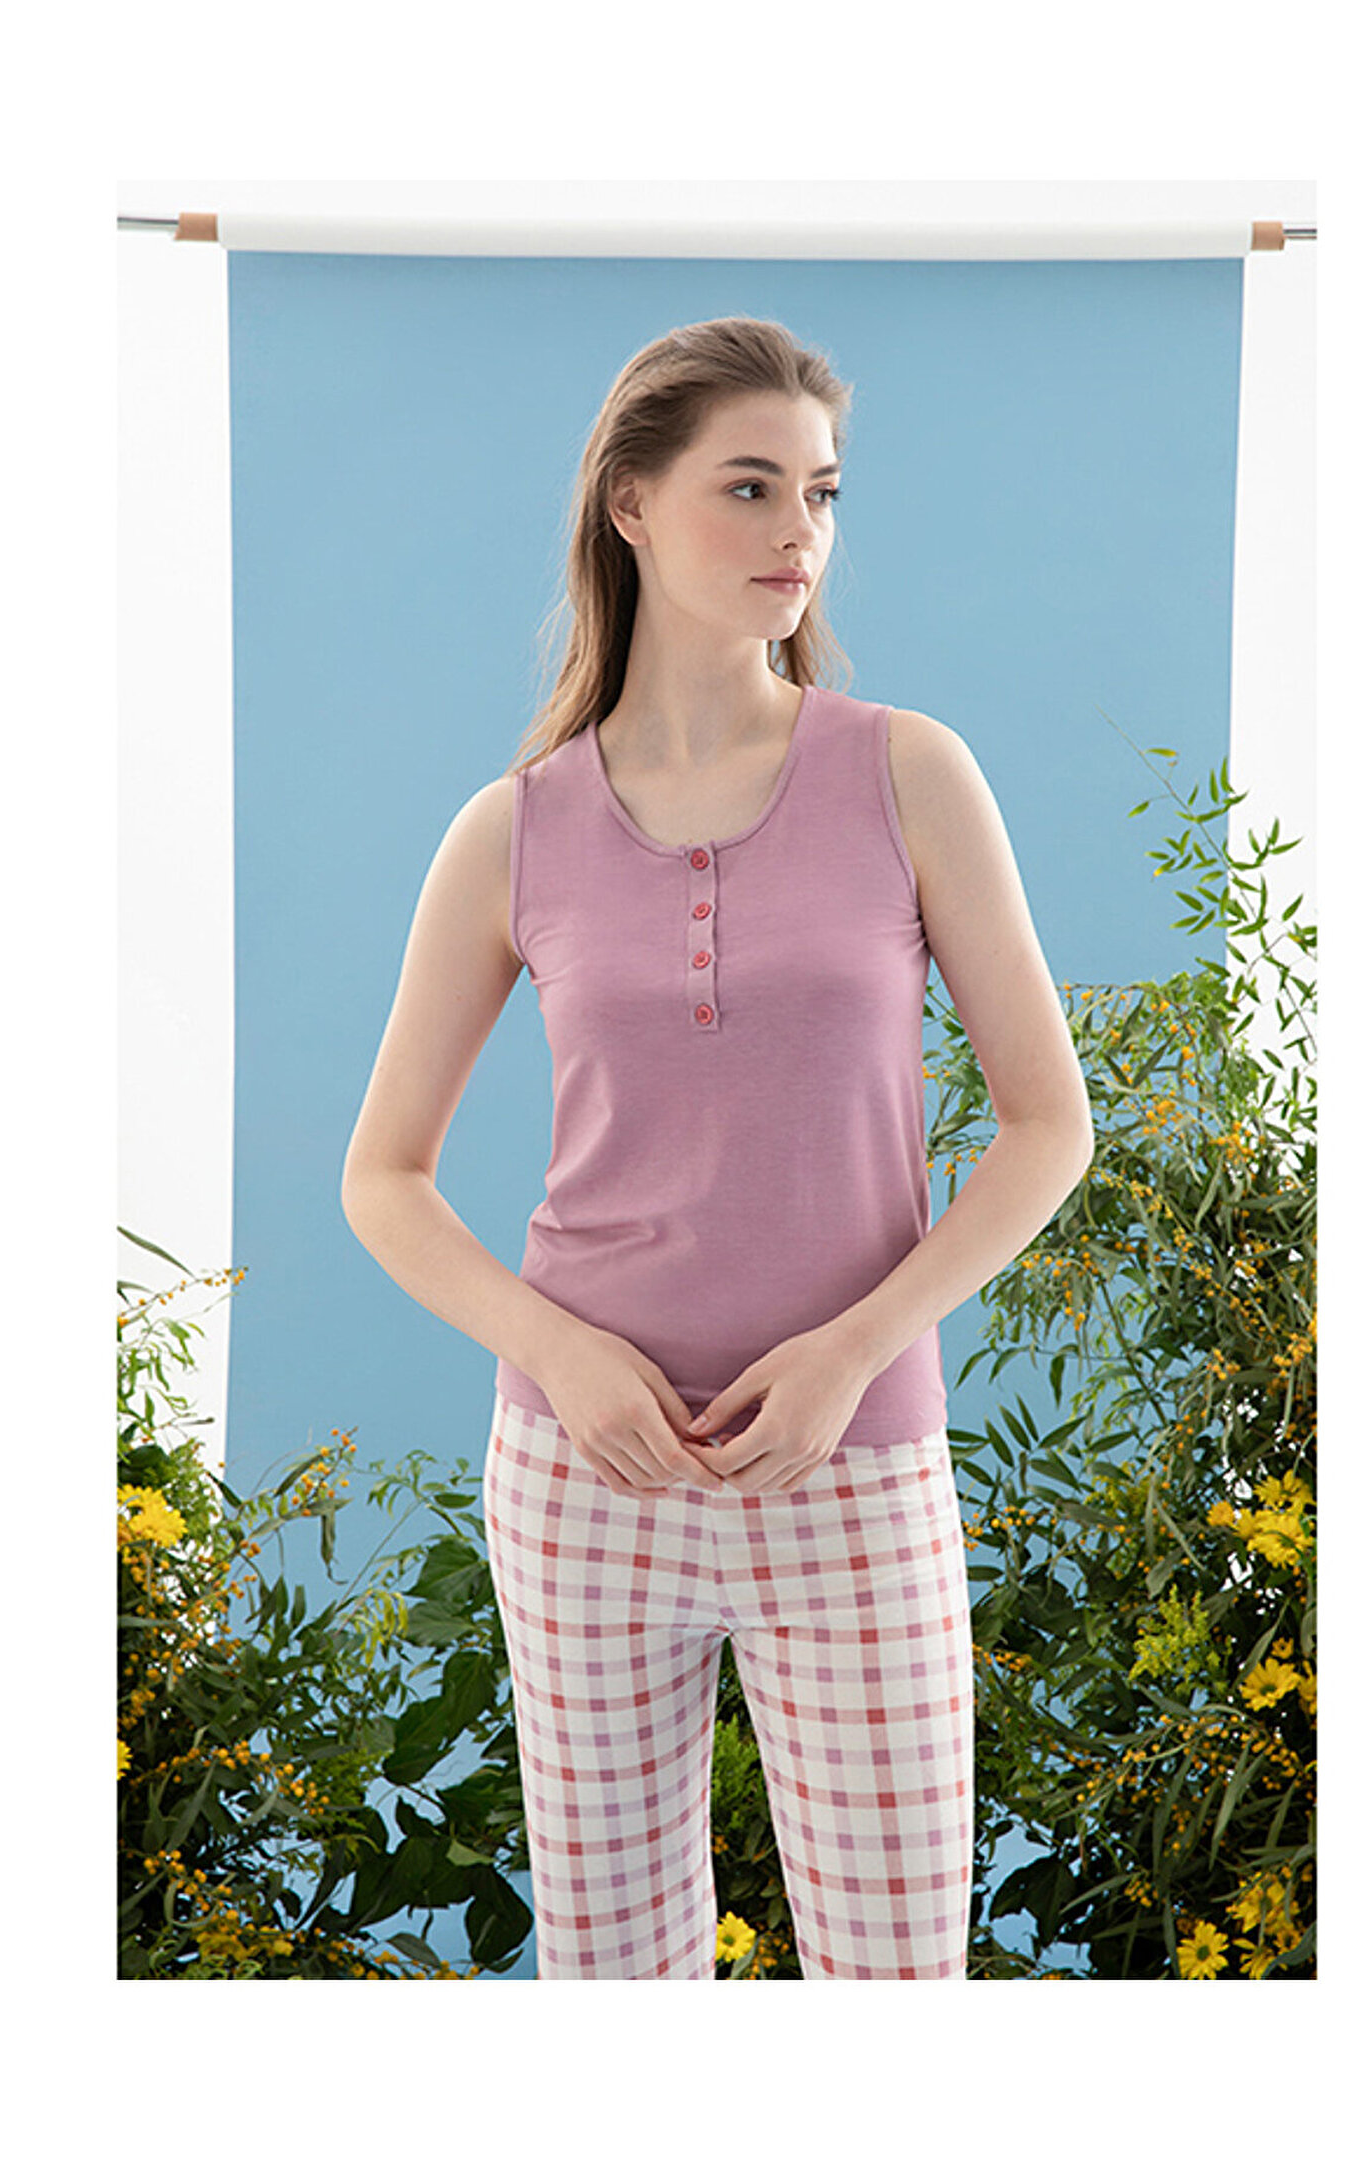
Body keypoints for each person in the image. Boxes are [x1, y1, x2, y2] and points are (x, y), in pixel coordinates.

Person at [341, 315, 1094, 1980]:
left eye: (819, 492)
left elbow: (1050, 1126)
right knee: (620, 1979)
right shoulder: (514, 830)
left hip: (852, 1463)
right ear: (631, 504)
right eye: (749, 487)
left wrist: (850, 1352)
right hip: (584, 1478)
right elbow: (382, 1178)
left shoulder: (908, 774)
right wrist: (561, 1356)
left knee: (896, 1976)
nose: (796, 531)